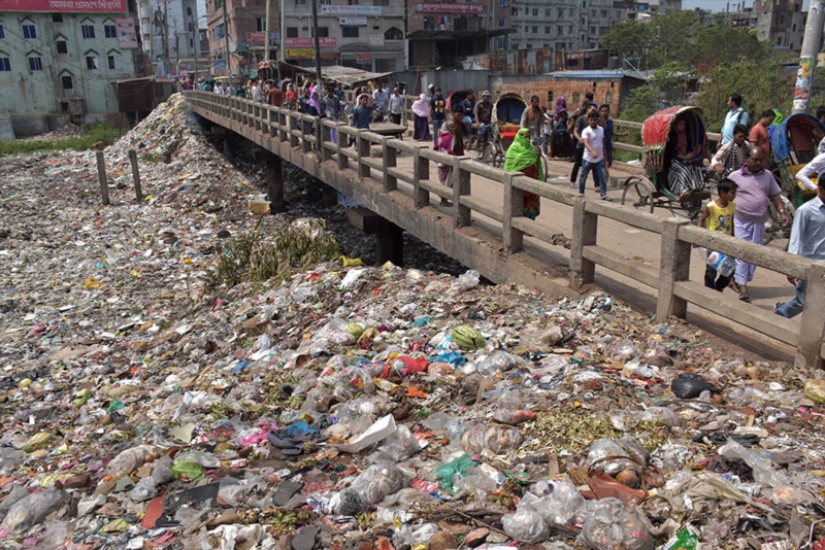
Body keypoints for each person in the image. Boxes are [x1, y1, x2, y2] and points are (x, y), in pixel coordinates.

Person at [728, 146, 790, 301]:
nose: (757, 163)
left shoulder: (767, 175)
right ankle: (743, 287)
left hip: (758, 222)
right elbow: (724, 196)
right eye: (754, 159)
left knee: (754, 254)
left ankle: (737, 278)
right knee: (743, 251)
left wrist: (782, 212)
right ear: (746, 159)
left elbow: (775, 195)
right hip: (739, 220)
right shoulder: (734, 176)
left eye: (760, 160)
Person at [775, 179, 825, 318]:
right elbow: (795, 239)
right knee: (803, 301)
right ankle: (781, 312)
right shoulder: (805, 210)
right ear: (820, 189)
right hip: (810, 263)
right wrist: (792, 266)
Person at [698, 178, 738, 291]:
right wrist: (698, 237)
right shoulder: (711, 207)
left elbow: (732, 222)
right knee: (711, 271)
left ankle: (718, 288)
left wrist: (733, 238)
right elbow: (701, 220)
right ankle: (709, 292)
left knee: (729, 271)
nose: (735, 195)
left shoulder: (732, 206)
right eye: (732, 193)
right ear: (722, 193)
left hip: (727, 242)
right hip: (713, 244)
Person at [503, 128, 544, 220]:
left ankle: (529, 224)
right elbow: (509, 167)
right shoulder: (513, 149)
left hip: (532, 180)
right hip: (518, 184)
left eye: (529, 138)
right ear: (519, 137)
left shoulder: (531, 149)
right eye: (525, 137)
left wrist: (538, 155)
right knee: (519, 203)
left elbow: (536, 164)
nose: (527, 140)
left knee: (531, 205)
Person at [579, 110, 609, 200]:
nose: (593, 122)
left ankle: (603, 194)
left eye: (594, 120)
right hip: (588, 159)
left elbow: (602, 142)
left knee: (602, 176)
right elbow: (586, 142)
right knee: (583, 177)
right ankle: (581, 194)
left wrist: (604, 154)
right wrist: (592, 151)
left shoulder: (601, 130)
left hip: (599, 159)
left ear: (598, 120)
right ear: (589, 120)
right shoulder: (586, 131)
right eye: (591, 120)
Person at [599, 104, 628, 187]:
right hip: (600, 147)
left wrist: (622, 134)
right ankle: (602, 184)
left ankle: (602, 178)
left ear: (609, 112)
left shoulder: (610, 122)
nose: (604, 112)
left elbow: (611, 132)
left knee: (609, 162)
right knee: (603, 165)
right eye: (602, 111)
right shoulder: (599, 122)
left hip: (608, 146)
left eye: (606, 111)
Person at [569, 101, 595, 187]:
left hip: (590, 146)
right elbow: (575, 131)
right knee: (577, 164)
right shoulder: (581, 119)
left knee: (593, 165)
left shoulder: (594, 121)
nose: (593, 111)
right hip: (581, 146)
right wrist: (580, 139)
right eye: (592, 109)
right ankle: (572, 181)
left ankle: (597, 185)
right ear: (588, 109)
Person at [434, 120, 458, 206]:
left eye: (453, 126)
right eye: (451, 127)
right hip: (447, 162)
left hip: (439, 162)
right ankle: (444, 200)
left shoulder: (439, 137)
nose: (453, 129)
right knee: (448, 181)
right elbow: (450, 151)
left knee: (442, 181)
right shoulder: (450, 137)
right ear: (447, 128)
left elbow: (435, 148)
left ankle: (443, 199)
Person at [473, 91, 494, 155]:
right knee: (482, 132)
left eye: (489, 97)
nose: (488, 98)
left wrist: (493, 120)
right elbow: (476, 113)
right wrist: (477, 122)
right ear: (483, 97)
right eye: (486, 97)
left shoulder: (490, 104)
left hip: (488, 121)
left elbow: (493, 113)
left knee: (488, 137)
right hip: (481, 121)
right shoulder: (478, 104)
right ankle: (477, 141)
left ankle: (484, 152)